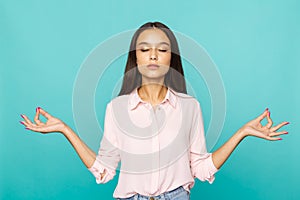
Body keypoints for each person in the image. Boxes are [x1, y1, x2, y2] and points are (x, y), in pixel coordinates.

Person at [19, 22, 289, 200]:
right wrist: (65, 129)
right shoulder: (116, 109)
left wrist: (242, 132)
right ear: (135, 57)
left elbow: (202, 167)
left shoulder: (189, 107)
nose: (153, 55)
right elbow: (105, 169)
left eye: (162, 49)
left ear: (171, 58)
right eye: (144, 49)